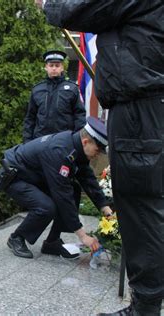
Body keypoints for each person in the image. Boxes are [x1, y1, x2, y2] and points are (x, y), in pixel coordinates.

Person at [43, 2, 163, 315]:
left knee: (141, 208)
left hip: (141, 110)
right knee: (146, 207)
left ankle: (145, 309)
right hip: (145, 108)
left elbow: (75, 10)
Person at [0, 117, 112, 260]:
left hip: (33, 175)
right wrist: (83, 236)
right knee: (47, 207)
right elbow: (62, 195)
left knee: (75, 189)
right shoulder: (60, 151)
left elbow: (87, 178)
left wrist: (105, 208)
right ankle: (16, 238)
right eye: (98, 150)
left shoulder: (76, 146)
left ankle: (52, 242)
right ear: (86, 142)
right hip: (15, 177)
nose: (98, 154)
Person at [23, 50, 85, 143]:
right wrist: (27, 142)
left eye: (57, 65)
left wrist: (77, 141)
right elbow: (30, 118)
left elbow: (79, 116)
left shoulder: (72, 89)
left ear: (62, 68)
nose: (54, 68)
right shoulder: (37, 90)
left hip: (64, 141)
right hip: (40, 141)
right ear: (46, 67)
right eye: (51, 65)